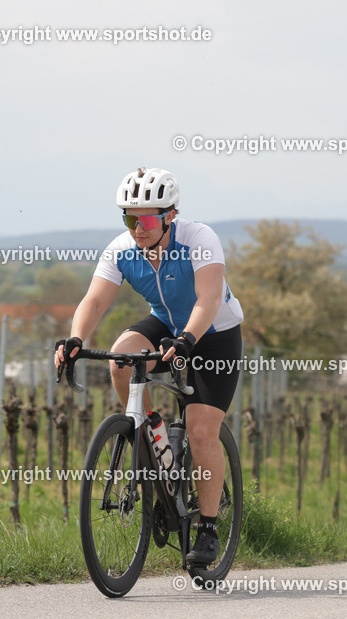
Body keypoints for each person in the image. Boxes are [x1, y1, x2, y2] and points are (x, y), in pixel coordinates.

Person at [54, 167, 243, 566]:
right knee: (121, 360)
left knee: (201, 430)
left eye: (147, 220)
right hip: (166, 323)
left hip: (213, 332)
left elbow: (208, 299)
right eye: (130, 219)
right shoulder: (121, 250)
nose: (138, 229)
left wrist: (187, 340)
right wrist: (75, 339)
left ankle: (208, 528)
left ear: (170, 216)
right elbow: (94, 301)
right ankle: (149, 431)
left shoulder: (199, 239)